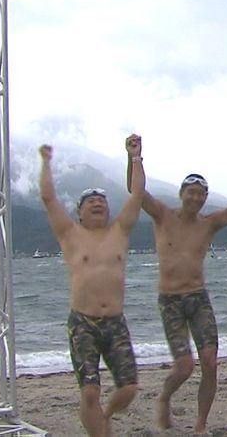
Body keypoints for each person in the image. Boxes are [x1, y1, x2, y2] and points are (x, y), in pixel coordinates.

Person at [130, 144, 227, 434]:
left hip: (198, 299)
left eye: (201, 193)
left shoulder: (209, 223)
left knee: (211, 363)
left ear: (204, 198)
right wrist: (135, 158)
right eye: (190, 191)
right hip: (170, 301)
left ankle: (201, 425)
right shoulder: (163, 215)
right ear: (181, 193)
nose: (195, 197)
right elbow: (136, 191)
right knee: (184, 367)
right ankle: (164, 397)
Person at [39, 134, 146, 437]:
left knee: (129, 387)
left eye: (102, 200)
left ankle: (105, 418)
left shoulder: (120, 232)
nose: (97, 203)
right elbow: (49, 199)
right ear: (80, 212)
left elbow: (137, 194)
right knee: (89, 393)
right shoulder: (69, 234)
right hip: (82, 322)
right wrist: (46, 163)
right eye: (90, 201)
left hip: (115, 322)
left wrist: (135, 157)